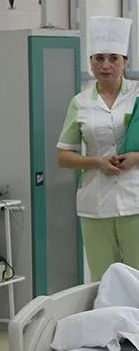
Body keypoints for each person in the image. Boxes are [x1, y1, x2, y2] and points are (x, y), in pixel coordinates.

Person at [57, 15, 139, 280]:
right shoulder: (80, 103)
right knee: (103, 280)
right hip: (95, 204)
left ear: (125, 62)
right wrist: (97, 162)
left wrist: (136, 157)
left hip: (135, 201)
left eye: (113, 58)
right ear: (90, 62)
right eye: (99, 58)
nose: (106, 65)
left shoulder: (137, 96)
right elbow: (63, 156)